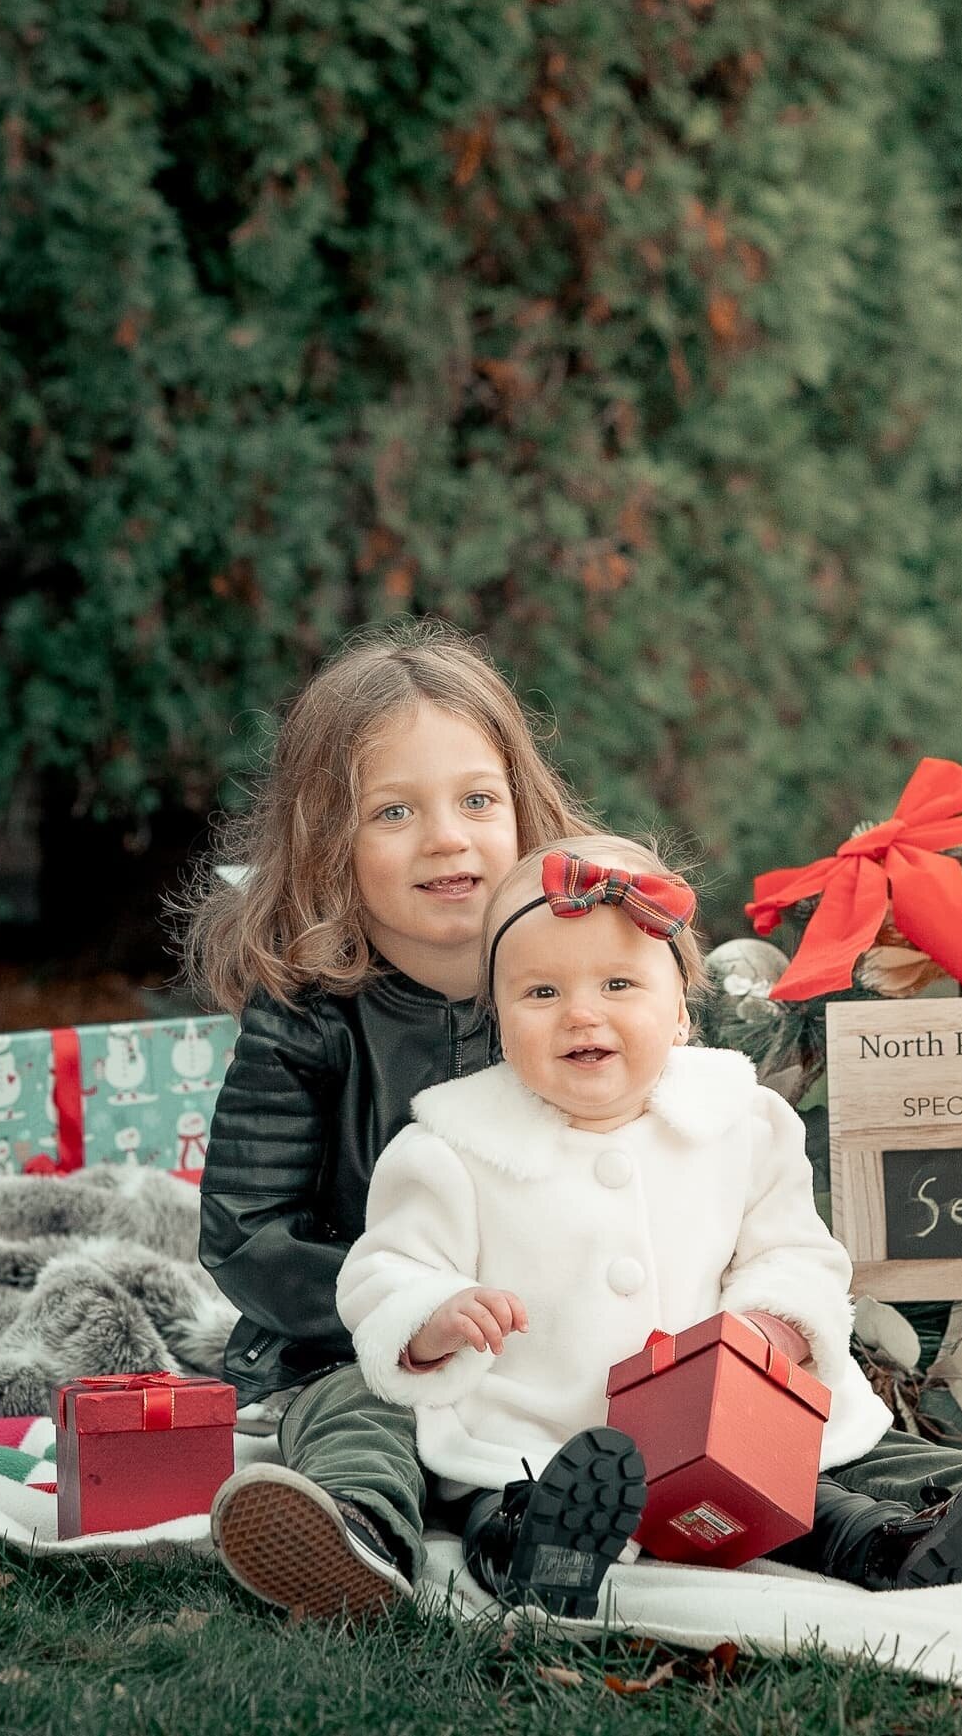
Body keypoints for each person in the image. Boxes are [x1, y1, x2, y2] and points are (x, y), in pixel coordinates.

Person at [334, 836, 962, 1620]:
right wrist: (434, 1313)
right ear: (497, 1018)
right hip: (542, 1436)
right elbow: (384, 1270)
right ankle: (541, 1553)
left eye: (617, 986)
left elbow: (794, 1252)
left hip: (731, 1431)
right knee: (521, 1493)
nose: (577, 1012)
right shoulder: (455, 1147)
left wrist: (773, 1324)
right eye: (540, 992)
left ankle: (906, 1553)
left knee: (806, 1501)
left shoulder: (736, 1119)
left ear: (681, 1010)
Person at [184, 619, 599, 1620]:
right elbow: (243, 1231)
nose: (446, 836)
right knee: (368, 1415)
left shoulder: (575, 985)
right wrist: (403, 1310)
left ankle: (533, 1537)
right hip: (349, 1342)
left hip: (539, 1338)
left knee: (577, 1416)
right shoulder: (306, 1016)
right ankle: (351, 1534)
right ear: (331, 841)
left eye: (474, 799)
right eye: (395, 810)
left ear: (522, 809)